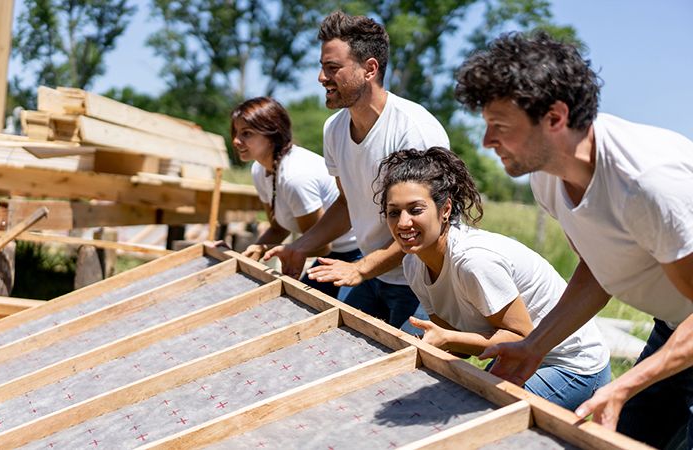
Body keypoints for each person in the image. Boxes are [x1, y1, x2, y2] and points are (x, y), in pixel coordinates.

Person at [454, 31, 693, 447]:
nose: (487, 141)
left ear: (555, 118)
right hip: (676, 330)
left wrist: (623, 384)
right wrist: (534, 346)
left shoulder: (649, 184)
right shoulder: (548, 178)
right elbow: (597, 273)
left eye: (500, 126)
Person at [375, 147, 610, 411]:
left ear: (445, 209)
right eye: (394, 212)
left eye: (415, 210)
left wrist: (447, 341)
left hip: (570, 364)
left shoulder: (474, 261)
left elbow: (521, 339)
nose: (403, 222)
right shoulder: (413, 264)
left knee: (482, 416)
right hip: (517, 358)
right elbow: (457, 343)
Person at [264, 11, 450, 329]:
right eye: (322, 67)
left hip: (422, 281)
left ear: (369, 69)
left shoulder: (413, 131)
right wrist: (299, 247)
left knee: (404, 375)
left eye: (332, 68)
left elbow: (426, 227)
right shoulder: (334, 129)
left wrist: (361, 268)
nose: (321, 78)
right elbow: (347, 203)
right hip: (372, 273)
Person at [230, 96, 360, 299]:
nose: (236, 141)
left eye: (246, 133)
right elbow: (278, 228)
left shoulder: (295, 177)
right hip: (327, 253)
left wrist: (268, 249)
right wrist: (251, 252)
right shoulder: (259, 169)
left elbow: (322, 245)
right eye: (235, 133)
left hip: (355, 253)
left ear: (272, 133)